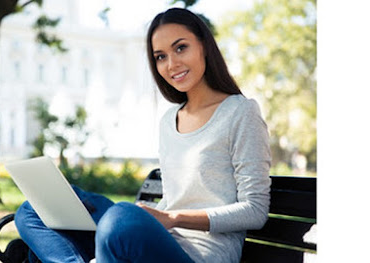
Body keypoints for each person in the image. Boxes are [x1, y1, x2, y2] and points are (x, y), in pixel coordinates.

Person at [14, 7, 271, 263]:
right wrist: (156, 216)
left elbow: (255, 210)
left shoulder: (241, 112)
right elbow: (174, 199)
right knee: (33, 210)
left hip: (201, 254)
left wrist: (173, 218)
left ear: (204, 45)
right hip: (160, 239)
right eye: (160, 56)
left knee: (122, 216)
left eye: (181, 48)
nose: (172, 64)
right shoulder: (170, 120)